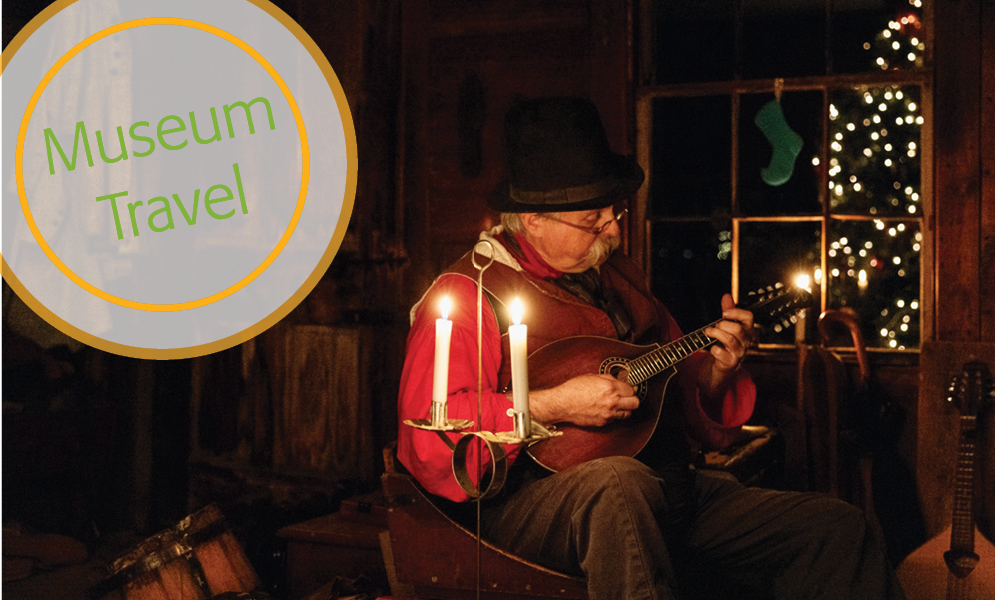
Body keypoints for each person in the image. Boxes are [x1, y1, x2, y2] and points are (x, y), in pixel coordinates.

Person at [396, 97, 904, 600]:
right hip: (525, 502)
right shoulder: (469, 294)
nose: (613, 230)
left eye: (612, 213)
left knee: (833, 529)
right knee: (616, 486)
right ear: (532, 218)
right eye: (593, 219)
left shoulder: (619, 276)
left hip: (662, 487)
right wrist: (554, 404)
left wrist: (714, 373)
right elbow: (430, 437)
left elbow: (674, 386)